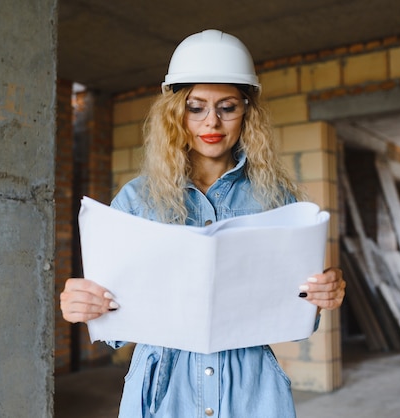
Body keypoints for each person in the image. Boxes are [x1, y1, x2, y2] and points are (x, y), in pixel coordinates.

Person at [60, 29, 346, 418]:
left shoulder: (276, 198)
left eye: (227, 107)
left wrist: (321, 296)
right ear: (176, 111)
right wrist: (86, 305)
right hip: (161, 391)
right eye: (196, 107)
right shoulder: (135, 199)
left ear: (247, 111)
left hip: (251, 389)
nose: (212, 121)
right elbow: (115, 333)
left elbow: (298, 323)